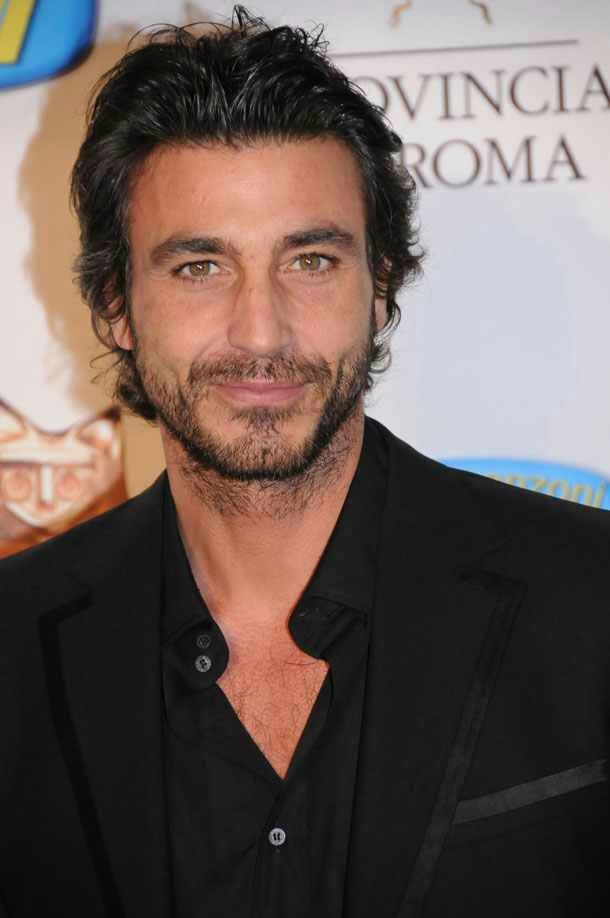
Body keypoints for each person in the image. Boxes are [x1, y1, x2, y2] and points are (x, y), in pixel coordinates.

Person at [1, 7, 608, 917]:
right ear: (116, 304)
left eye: (311, 260)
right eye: (200, 267)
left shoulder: (592, 599)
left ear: (380, 287)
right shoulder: (12, 647)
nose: (261, 333)